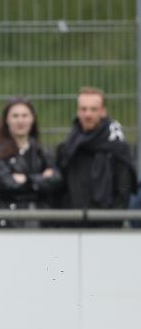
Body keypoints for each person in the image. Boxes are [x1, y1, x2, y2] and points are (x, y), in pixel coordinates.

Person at [54, 87, 137, 227]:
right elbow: (60, 187)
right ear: (78, 111)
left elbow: (124, 191)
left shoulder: (117, 148)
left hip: (106, 227)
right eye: (84, 109)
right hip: (72, 226)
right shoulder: (68, 147)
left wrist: (113, 223)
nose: (88, 114)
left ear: (103, 111)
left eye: (93, 109)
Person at [0, 98, 61, 228]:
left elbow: (56, 180)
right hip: (6, 223)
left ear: (32, 119)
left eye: (25, 115)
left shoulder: (42, 153)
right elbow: (8, 185)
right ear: (6, 120)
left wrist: (26, 179)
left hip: (39, 223)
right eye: (15, 116)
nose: (20, 120)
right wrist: (41, 180)